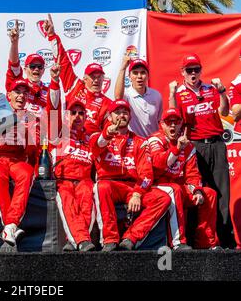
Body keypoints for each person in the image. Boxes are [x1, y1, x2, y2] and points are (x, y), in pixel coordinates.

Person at [169, 53, 234, 248]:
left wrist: (222, 91)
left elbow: (224, 112)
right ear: (182, 72)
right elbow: (174, 118)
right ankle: (196, 238)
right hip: (195, 146)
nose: (193, 73)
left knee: (221, 193)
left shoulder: (210, 88)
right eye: (189, 70)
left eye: (196, 69)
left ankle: (224, 240)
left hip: (216, 144)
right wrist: (171, 95)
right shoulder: (179, 93)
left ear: (201, 71)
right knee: (197, 192)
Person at [91, 99, 171, 251]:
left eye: (125, 112)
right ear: (110, 117)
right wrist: (107, 134)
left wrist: (137, 193)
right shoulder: (99, 137)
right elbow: (97, 147)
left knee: (163, 198)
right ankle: (110, 240)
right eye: (117, 112)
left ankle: (131, 237)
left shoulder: (140, 141)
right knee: (101, 187)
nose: (121, 116)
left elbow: (146, 173)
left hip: (132, 186)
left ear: (130, 117)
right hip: (110, 184)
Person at [149, 108, 220, 250]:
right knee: (175, 190)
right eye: (169, 122)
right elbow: (158, 164)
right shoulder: (156, 140)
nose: (173, 126)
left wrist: (197, 191)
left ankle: (205, 242)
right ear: (162, 124)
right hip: (156, 187)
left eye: (176, 122)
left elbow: (192, 174)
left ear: (181, 124)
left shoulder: (188, 146)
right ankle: (178, 242)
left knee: (210, 194)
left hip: (178, 188)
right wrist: (176, 149)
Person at [0, 78, 43, 247]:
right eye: (17, 92)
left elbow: (33, 148)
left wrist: (22, 131)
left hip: (18, 159)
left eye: (25, 93)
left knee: (27, 173)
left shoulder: (31, 118)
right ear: (8, 95)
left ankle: (9, 226)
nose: (21, 96)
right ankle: (11, 226)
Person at [44, 13, 111, 136]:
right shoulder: (75, 86)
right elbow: (63, 60)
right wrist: (52, 36)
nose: (96, 80)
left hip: (88, 147)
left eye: (99, 77)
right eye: (92, 77)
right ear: (85, 79)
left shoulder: (107, 104)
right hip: (67, 140)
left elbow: (107, 134)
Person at [52, 99, 95, 252]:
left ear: (86, 117)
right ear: (65, 116)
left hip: (85, 180)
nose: (77, 116)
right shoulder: (57, 133)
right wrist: (56, 82)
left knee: (88, 196)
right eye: (73, 113)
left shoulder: (91, 138)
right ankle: (82, 240)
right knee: (67, 199)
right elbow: (52, 108)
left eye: (81, 113)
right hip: (63, 180)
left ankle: (75, 241)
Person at [6, 19, 48, 117]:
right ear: (25, 69)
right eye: (32, 66)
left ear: (43, 70)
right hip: (18, 129)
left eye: (39, 67)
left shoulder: (49, 92)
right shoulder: (18, 84)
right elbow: (14, 64)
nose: (36, 69)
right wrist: (14, 42)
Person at [114, 55, 163, 138]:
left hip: (153, 143)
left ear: (148, 76)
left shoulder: (156, 95)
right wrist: (123, 68)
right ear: (129, 76)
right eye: (135, 73)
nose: (139, 76)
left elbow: (159, 121)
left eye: (143, 72)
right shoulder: (126, 95)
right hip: (133, 144)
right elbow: (118, 97)